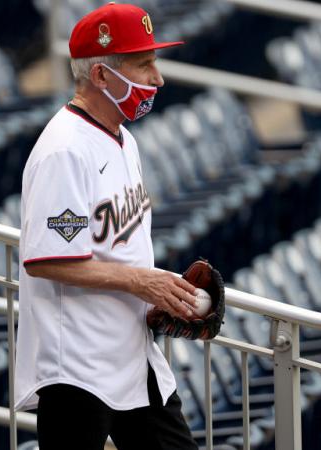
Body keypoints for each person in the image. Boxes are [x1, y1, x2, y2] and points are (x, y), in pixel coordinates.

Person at [13, 3, 200, 449]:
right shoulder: (64, 151)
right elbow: (47, 260)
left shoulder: (123, 138)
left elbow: (118, 248)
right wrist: (143, 283)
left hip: (131, 352)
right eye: (144, 64)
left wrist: (159, 298)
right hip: (78, 367)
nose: (157, 78)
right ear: (100, 74)